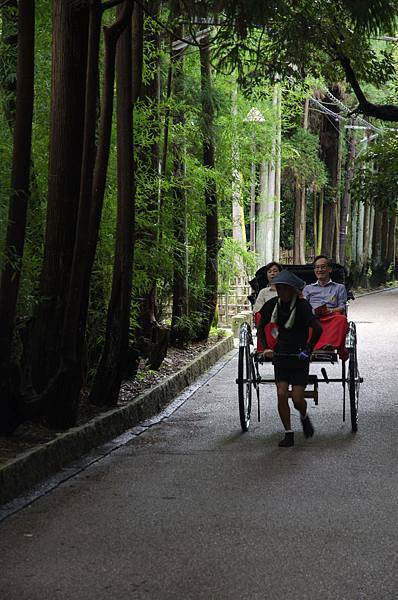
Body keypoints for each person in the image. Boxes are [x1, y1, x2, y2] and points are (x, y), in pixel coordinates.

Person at [257, 270, 323, 447]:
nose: (282, 292)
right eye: (279, 288)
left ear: (293, 290)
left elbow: (317, 329)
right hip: (281, 355)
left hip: (299, 356)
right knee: (281, 393)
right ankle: (288, 433)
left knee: (297, 398)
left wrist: (308, 349)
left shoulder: (302, 306)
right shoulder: (272, 305)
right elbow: (261, 325)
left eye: (285, 289)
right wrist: (266, 347)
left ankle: (303, 416)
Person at [303, 255, 348, 357]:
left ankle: (330, 345)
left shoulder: (339, 288)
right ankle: (308, 344)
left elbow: (342, 306)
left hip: (331, 316)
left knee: (341, 319)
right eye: (317, 267)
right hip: (313, 316)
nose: (320, 270)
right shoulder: (308, 288)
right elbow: (303, 305)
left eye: (323, 267)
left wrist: (330, 311)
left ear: (330, 269)